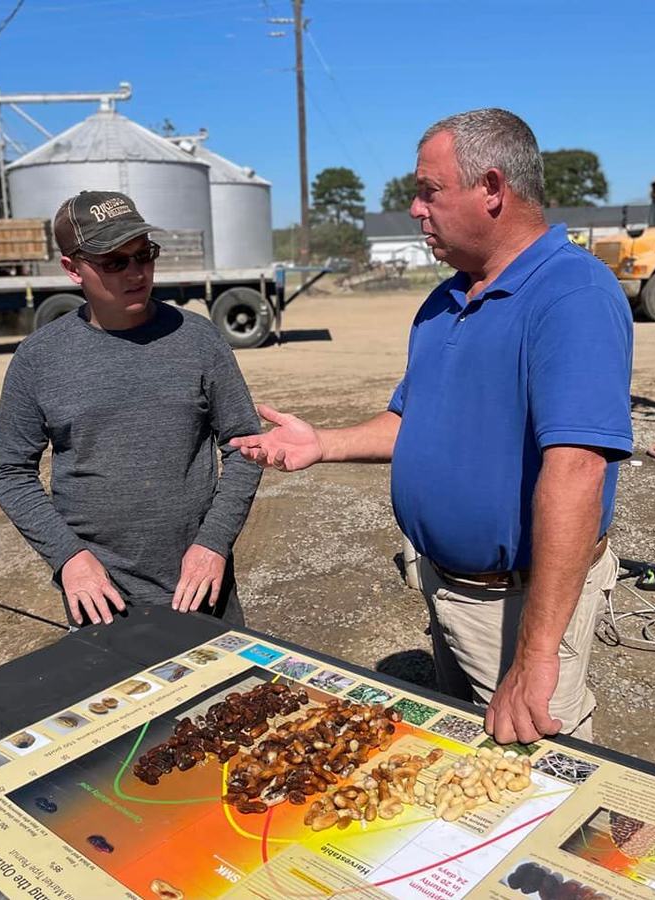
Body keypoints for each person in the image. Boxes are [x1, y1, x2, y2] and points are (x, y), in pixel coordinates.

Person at [231, 109, 633, 744]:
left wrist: (534, 655)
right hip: (445, 584)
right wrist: (324, 444)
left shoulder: (571, 294)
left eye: (428, 191)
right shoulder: (445, 299)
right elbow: (412, 422)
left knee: (532, 776)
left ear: (493, 188)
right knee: (460, 756)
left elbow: (578, 472)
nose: (416, 209)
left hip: (520, 602)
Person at [0, 190, 261, 628]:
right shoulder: (39, 358)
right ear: (72, 268)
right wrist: (69, 559)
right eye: (115, 262)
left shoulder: (198, 340)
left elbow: (245, 448)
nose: (136, 273)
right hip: (100, 595)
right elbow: (10, 471)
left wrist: (214, 543)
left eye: (144, 255)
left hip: (201, 583)